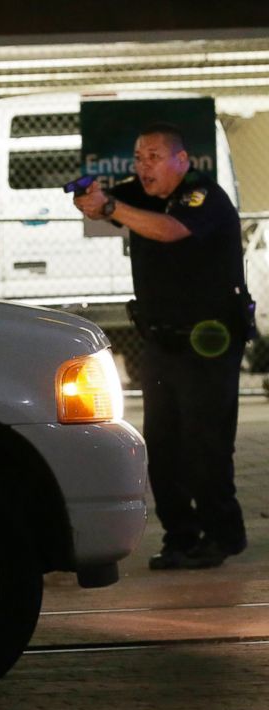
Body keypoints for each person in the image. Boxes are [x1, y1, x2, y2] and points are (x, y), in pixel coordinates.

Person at [74, 122, 249, 570]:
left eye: (154, 157)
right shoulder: (137, 192)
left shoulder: (201, 196)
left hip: (207, 345)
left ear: (182, 160)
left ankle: (221, 535)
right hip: (161, 342)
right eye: (138, 157)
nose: (143, 166)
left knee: (205, 444)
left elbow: (171, 230)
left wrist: (112, 206)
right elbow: (103, 206)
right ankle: (181, 536)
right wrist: (92, 201)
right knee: (164, 447)